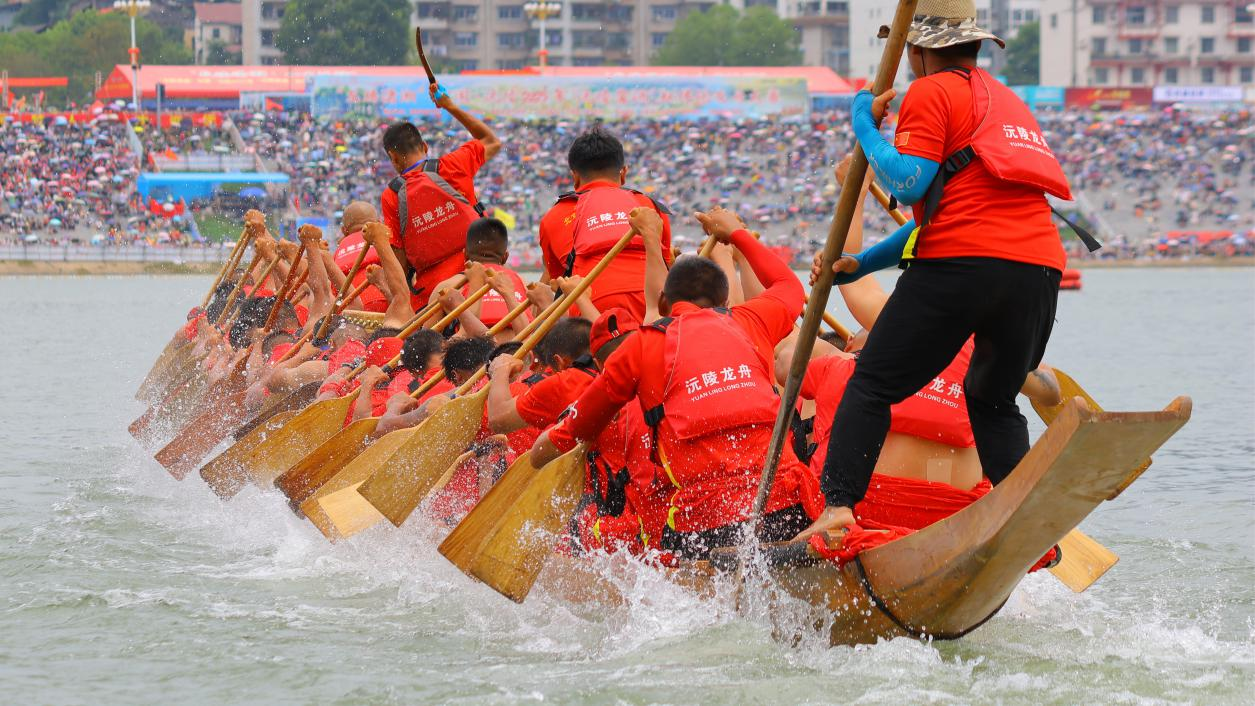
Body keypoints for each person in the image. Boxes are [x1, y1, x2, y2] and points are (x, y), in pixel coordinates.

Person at [798, 0, 1078, 539]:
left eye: (907, 53)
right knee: (992, 399)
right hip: (1038, 270)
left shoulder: (932, 89)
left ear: (922, 51)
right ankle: (1025, 519)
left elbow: (908, 184)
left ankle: (837, 509)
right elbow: (952, 209)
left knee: (872, 383)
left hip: (963, 265)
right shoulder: (1010, 102)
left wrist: (863, 123)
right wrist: (862, 264)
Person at [531, 207, 822, 559]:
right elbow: (789, 285)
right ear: (725, 301)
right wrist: (737, 234)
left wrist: (540, 452)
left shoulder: (640, 345)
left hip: (702, 525)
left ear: (665, 304)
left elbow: (575, 429)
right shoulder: (752, 321)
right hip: (786, 505)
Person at [380, 84, 501, 306]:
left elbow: (399, 262)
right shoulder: (454, 164)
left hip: (432, 298)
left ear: (393, 157)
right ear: (425, 147)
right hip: (480, 282)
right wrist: (449, 106)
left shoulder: (392, 194)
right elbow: (492, 141)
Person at [537, 126, 673, 321]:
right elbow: (664, 262)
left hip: (592, 309)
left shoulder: (553, 217)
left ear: (575, 176)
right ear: (623, 173)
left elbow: (559, 281)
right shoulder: (649, 206)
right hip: (654, 304)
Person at [331, 201, 386, 313]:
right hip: (385, 300)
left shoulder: (336, 254)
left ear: (344, 230)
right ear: (379, 223)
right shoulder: (386, 243)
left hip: (349, 310)